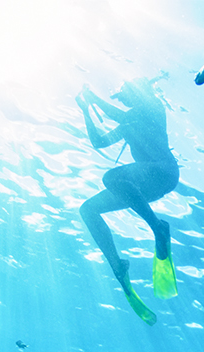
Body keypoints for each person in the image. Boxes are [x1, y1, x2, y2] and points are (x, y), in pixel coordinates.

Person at [74, 79, 178, 325]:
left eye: (125, 95)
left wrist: (92, 98)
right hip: (142, 185)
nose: (123, 99)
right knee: (88, 209)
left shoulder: (153, 106)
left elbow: (116, 114)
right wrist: (86, 111)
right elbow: (100, 142)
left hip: (162, 171)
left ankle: (158, 227)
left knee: (111, 177)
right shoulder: (129, 120)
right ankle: (116, 264)